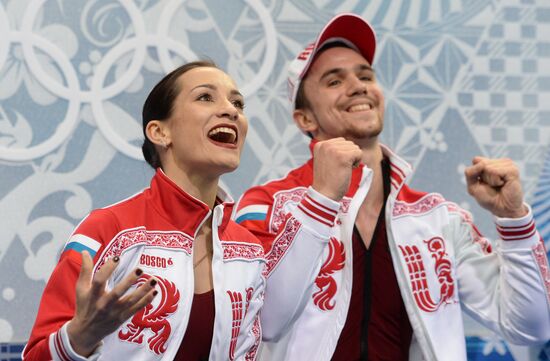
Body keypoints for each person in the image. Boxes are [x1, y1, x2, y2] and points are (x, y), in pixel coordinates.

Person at [234, 13, 550, 361]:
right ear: (305, 119)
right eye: (334, 81)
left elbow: (532, 326)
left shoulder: (438, 219)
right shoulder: (266, 205)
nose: (358, 86)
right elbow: (259, 321)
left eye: (365, 75)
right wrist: (320, 203)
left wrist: (514, 221)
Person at [23, 60, 318, 361]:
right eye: (205, 97)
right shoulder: (107, 229)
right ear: (160, 132)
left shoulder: (247, 250)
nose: (231, 110)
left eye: (238, 103)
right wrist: (78, 339)